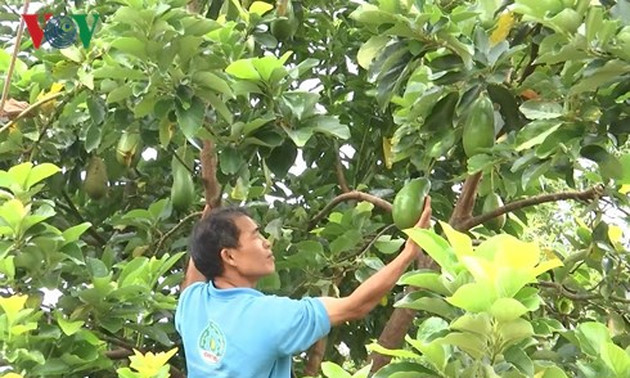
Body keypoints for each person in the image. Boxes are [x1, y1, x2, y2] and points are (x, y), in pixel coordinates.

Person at [175, 196, 432, 378]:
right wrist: (408, 253)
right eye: (256, 236)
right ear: (229, 257)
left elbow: (192, 279)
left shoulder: (192, 305)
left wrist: (204, 229)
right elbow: (355, 305)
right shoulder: (271, 316)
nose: (267, 243)